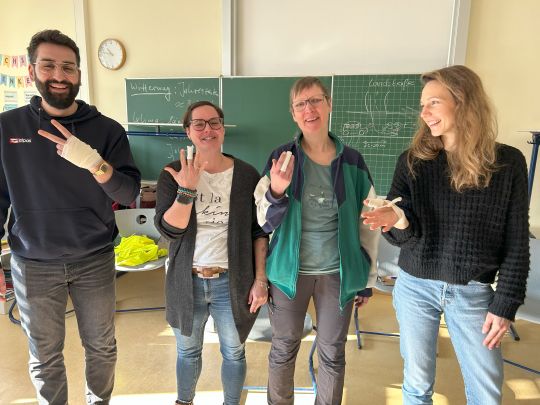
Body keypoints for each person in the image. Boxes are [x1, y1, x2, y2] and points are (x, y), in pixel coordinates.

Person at [361, 65, 530, 405]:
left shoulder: (507, 163)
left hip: (473, 292)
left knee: (486, 392)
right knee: (416, 385)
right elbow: (404, 237)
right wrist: (398, 222)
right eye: (423, 105)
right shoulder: (412, 161)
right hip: (414, 287)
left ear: (463, 101)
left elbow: (517, 242)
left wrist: (505, 303)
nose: (424, 113)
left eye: (434, 103)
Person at [0, 30, 141, 404]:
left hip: (93, 259)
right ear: (32, 71)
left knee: (102, 347)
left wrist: (94, 162)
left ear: (79, 73)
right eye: (48, 65)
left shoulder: (108, 130)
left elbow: (128, 193)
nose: (59, 75)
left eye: (68, 67)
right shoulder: (7, 128)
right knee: (44, 357)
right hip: (33, 263)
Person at [254, 76, 380, 405]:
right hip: (288, 275)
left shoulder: (352, 161)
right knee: (283, 348)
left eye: (315, 100)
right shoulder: (281, 158)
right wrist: (276, 190)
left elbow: (369, 225)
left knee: (333, 352)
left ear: (329, 104)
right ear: (293, 114)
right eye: (301, 104)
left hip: (337, 273)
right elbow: (262, 221)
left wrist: (365, 280)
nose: (309, 109)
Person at [154, 100, 269, 405]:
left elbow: (259, 232)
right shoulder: (172, 174)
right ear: (188, 131)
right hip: (186, 281)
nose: (208, 129)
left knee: (234, 351)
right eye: (199, 124)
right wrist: (187, 190)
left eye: (214, 122)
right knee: (187, 351)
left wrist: (261, 279)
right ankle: (184, 401)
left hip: (232, 281)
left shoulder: (246, 175)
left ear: (223, 128)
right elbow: (169, 231)